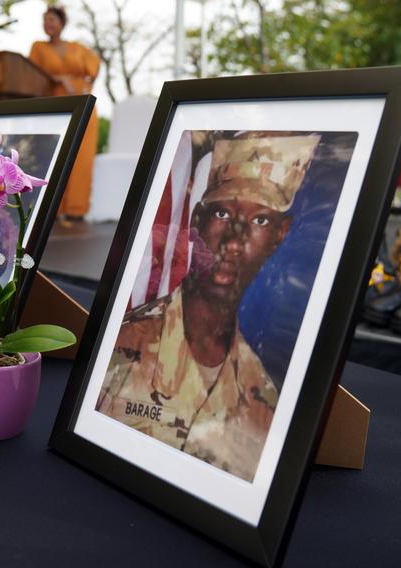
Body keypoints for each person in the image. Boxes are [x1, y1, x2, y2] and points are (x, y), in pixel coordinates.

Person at [95, 135, 320, 482]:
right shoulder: (118, 347)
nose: (233, 240)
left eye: (260, 220)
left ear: (281, 234)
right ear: (197, 219)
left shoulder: (265, 400)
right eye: (222, 212)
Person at [28, 6, 100, 221]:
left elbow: (95, 65)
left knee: (82, 156)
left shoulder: (77, 48)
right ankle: (53, 209)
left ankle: (77, 209)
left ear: (61, 23)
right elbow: (32, 71)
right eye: (44, 20)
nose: (48, 24)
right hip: (56, 104)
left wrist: (88, 83)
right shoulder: (38, 47)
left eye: (52, 20)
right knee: (55, 153)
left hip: (83, 103)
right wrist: (57, 78)